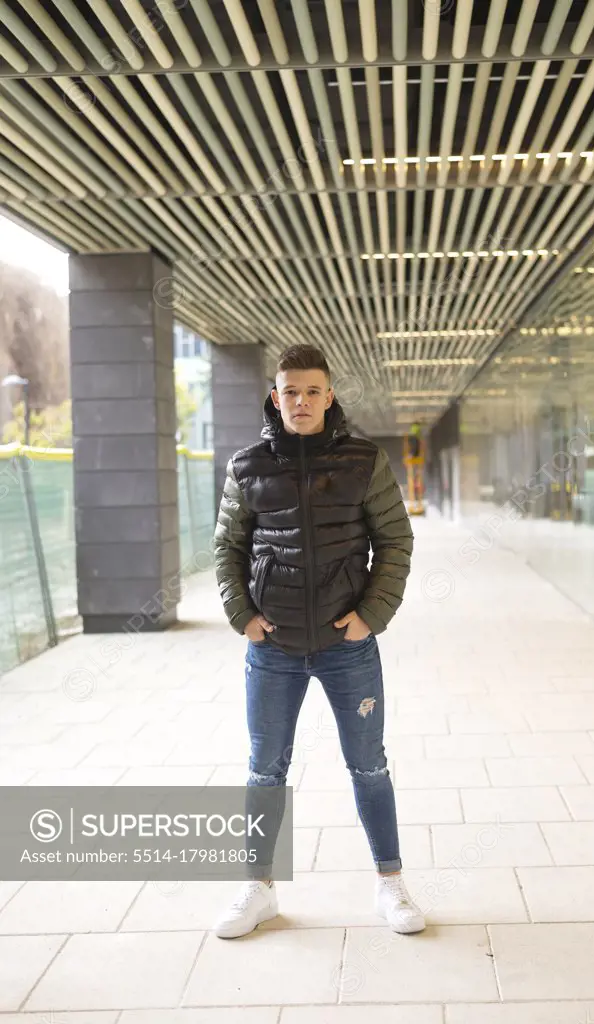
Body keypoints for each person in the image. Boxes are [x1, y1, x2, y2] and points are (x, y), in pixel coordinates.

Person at [212, 343, 425, 939]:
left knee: (369, 766)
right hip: (272, 648)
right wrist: (242, 616)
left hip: (346, 646)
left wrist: (371, 616)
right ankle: (258, 890)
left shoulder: (363, 460)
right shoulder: (247, 465)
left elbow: (396, 542)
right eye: (290, 391)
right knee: (264, 771)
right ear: (274, 397)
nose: (300, 401)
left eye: (312, 391)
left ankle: (390, 884)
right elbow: (228, 547)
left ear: (329, 396)